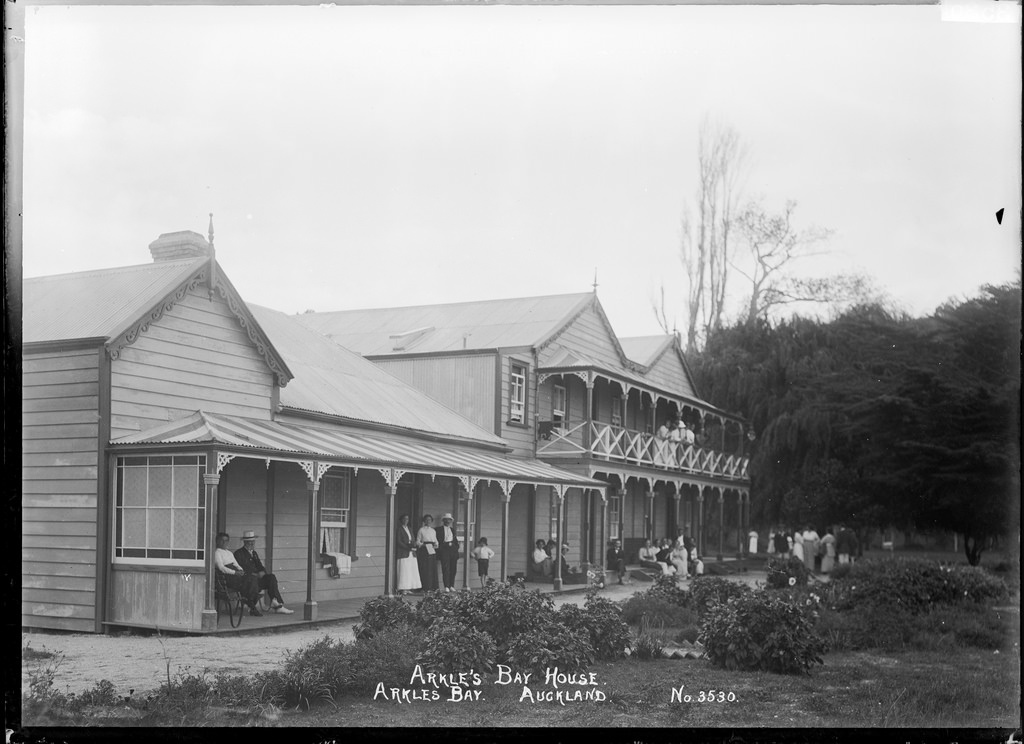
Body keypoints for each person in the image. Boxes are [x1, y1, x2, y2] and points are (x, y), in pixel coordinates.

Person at [234, 530, 294, 614]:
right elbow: (240, 570)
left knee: (271, 578)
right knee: (253, 579)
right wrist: (255, 574)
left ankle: (276, 603)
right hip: (247, 582)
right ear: (244, 542)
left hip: (256, 580)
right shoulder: (238, 553)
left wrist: (262, 572)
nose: (251, 544)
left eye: (253, 542)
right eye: (249, 542)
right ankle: (252, 606)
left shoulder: (254, 553)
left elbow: (260, 566)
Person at [215, 532, 262, 616]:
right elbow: (221, 568)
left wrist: (241, 570)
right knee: (250, 581)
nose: (224, 542)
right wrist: (235, 572)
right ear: (217, 541)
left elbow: (236, 564)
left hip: (235, 575)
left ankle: (250, 603)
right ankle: (251, 603)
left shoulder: (229, 553)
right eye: (222, 540)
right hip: (227, 577)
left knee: (252, 579)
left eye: (226, 540)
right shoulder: (217, 552)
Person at [396, 514, 421, 595]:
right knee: (404, 570)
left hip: (411, 553)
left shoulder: (409, 529)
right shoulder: (399, 529)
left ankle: (409, 587)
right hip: (403, 553)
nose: (406, 520)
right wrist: (408, 548)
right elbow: (399, 541)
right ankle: (403, 588)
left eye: (407, 519)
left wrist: (413, 545)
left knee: (410, 570)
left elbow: (412, 539)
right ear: (401, 520)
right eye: (404, 519)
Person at [436, 513, 460, 592]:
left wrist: (456, 548)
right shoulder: (438, 529)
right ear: (443, 521)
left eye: (449, 520)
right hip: (444, 549)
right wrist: (441, 548)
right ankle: (446, 586)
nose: (448, 521)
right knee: (445, 568)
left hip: (452, 550)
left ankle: (451, 585)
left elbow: (455, 541)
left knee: (453, 568)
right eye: (446, 520)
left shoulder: (452, 530)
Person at [415, 514, 439, 591]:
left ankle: (433, 587)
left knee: (432, 568)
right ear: (424, 521)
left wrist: (436, 544)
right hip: (424, 551)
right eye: (426, 520)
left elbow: (436, 541)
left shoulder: (433, 531)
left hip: (431, 549)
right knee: (426, 569)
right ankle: (425, 587)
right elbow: (418, 541)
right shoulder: (421, 530)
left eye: (429, 520)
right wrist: (423, 545)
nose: (428, 521)